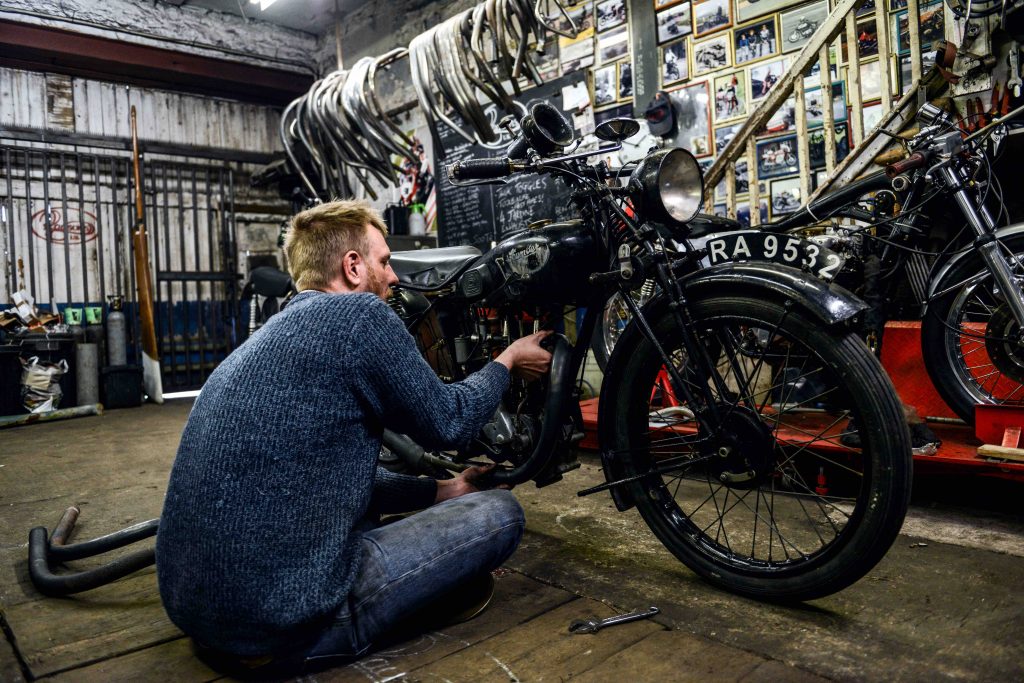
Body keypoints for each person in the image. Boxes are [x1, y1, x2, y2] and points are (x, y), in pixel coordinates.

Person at [156, 200, 552, 675]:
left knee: (410, 511)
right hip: (285, 629)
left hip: (201, 620)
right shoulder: (360, 316)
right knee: (500, 514)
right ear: (352, 266)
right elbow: (451, 422)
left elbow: (325, 475)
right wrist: (507, 362)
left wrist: (442, 491)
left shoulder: (262, 341)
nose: (394, 278)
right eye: (384, 262)